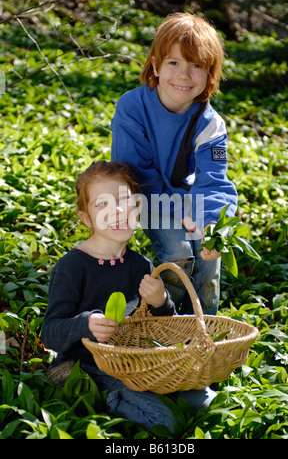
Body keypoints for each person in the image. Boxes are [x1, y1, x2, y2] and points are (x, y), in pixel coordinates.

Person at [41, 160, 216, 432]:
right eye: (102, 204)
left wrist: (161, 302)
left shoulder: (140, 265)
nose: (117, 210)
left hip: (132, 363)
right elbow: (50, 332)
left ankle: (141, 397)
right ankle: (107, 401)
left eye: (124, 200)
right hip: (87, 365)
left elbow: (161, 326)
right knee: (164, 422)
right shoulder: (72, 267)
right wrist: (85, 323)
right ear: (86, 218)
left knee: (206, 400)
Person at [111, 12, 238, 316]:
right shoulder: (133, 108)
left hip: (189, 200)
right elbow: (136, 173)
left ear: (210, 74)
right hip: (146, 197)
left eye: (196, 66)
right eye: (174, 63)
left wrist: (209, 220)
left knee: (208, 261)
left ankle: (204, 329)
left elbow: (214, 180)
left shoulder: (211, 125)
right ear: (155, 64)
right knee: (179, 256)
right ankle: (160, 319)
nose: (184, 75)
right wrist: (183, 209)